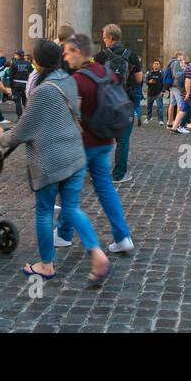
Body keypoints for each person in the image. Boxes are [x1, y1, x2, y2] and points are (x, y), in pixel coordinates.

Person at [0, 40, 112, 286]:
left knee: (44, 210)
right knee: (71, 208)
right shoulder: (68, 79)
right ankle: (97, 253)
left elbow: (20, 133)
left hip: (50, 160)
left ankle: (46, 264)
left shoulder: (42, 90)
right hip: (75, 154)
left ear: (37, 61)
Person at [55, 34, 134, 254]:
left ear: (78, 52)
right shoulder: (107, 72)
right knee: (106, 188)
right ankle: (122, 236)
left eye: (68, 51)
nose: (65, 55)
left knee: (69, 190)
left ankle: (63, 234)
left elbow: (73, 116)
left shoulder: (78, 80)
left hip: (83, 143)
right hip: (106, 139)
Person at [95, 24, 142, 183]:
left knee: (101, 138)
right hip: (124, 102)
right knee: (122, 140)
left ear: (110, 38)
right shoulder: (131, 55)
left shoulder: (101, 56)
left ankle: (98, 175)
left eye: (104, 38)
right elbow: (138, 79)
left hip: (105, 102)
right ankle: (119, 175)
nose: (104, 41)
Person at [8, 50, 32, 121]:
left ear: (18, 56)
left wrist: (11, 86)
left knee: (17, 101)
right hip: (25, 84)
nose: (14, 56)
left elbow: (11, 76)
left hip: (16, 84)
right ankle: (28, 116)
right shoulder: (28, 64)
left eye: (15, 55)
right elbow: (33, 72)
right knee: (25, 101)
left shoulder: (14, 64)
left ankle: (20, 117)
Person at [145, 59, 165, 125]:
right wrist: (149, 82)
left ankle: (160, 120)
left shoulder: (162, 74)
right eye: (155, 63)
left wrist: (163, 91)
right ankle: (148, 118)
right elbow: (145, 81)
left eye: (157, 64)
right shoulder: (149, 73)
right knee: (149, 107)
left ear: (160, 65)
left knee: (159, 107)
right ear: (153, 65)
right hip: (150, 93)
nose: (156, 65)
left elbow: (163, 83)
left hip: (158, 93)